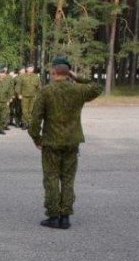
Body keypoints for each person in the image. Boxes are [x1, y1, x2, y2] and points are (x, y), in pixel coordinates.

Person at [27, 56, 102, 229]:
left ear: (53, 72)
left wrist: (36, 139)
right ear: (68, 73)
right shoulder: (78, 90)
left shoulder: (46, 91)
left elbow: (35, 120)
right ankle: (65, 216)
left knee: (51, 179)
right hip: (71, 142)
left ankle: (54, 216)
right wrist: (77, 77)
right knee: (68, 179)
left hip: (51, 143)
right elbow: (97, 87)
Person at [0, 67, 14, 135]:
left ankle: (1, 129)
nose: (2, 74)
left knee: (3, 116)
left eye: (4, 73)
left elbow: (10, 90)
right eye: (1, 73)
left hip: (4, 101)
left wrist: (9, 99)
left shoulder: (7, 81)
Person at [18, 65, 41, 129]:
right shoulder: (22, 76)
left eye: (32, 68)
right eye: (30, 68)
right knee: (24, 110)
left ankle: (30, 123)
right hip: (24, 95)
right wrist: (19, 94)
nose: (31, 69)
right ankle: (25, 123)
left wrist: (39, 95)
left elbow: (39, 87)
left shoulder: (36, 77)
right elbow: (19, 86)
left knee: (31, 110)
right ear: (27, 69)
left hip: (33, 96)